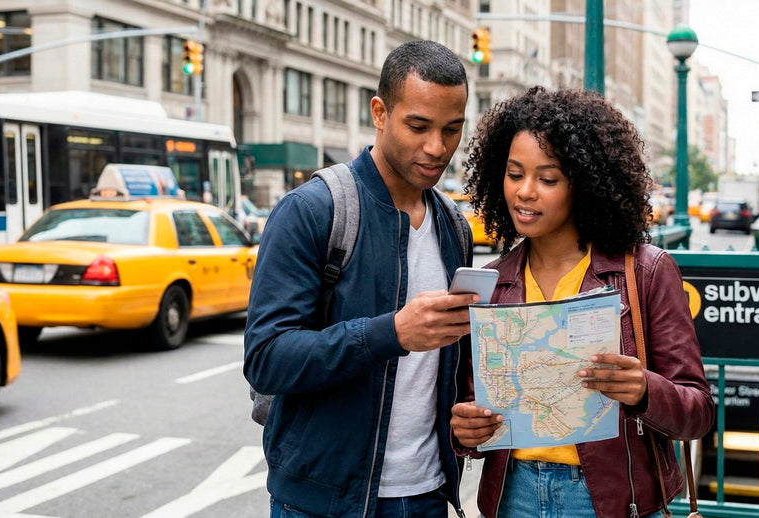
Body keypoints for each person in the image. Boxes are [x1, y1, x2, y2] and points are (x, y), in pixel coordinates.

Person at [450, 87, 715, 518]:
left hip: (609, 500)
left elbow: (698, 411)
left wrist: (645, 390)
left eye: (548, 178)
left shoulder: (646, 271)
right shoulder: (491, 281)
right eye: (515, 174)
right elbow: (469, 406)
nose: (525, 192)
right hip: (511, 496)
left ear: (586, 184)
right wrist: (464, 430)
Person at [243, 40, 475, 518]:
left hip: (428, 494)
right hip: (323, 502)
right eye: (418, 126)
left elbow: (444, 373)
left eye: (452, 130)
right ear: (379, 112)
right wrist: (391, 333)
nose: (437, 147)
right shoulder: (311, 210)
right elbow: (266, 359)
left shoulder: (454, 227)